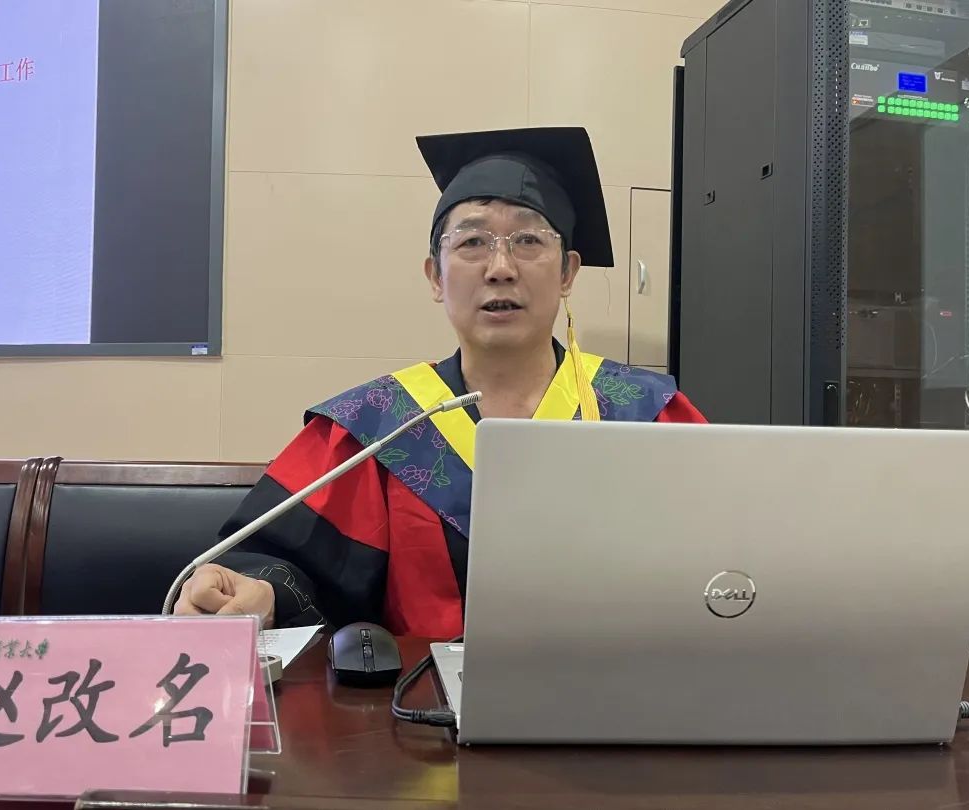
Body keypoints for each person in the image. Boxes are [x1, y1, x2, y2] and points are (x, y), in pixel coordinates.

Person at [174, 127, 706, 636]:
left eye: (528, 240)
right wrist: (258, 591)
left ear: (567, 273)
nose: (500, 267)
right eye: (472, 242)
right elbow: (272, 560)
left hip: (617, 690)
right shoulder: (381, 424)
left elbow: (719, 565)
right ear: (435, 276)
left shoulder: (645, 413)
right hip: (421, 697)